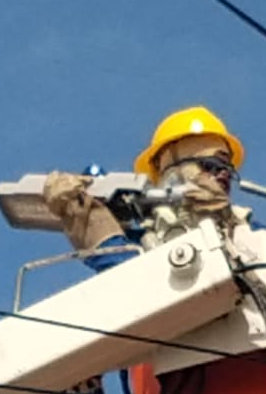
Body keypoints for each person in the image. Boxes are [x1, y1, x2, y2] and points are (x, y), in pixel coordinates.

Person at [43, 105, 252, 271]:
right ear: (172, 170)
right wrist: (95, 228)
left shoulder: (249, 230)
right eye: (211, 165)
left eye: (228, 169)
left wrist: (229, 222)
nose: (223, 174)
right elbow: (140, 286)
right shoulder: (144, 241)